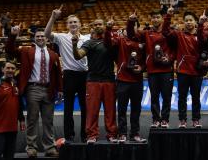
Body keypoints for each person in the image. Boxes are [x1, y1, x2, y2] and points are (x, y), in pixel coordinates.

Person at [6, 25, 62, 158]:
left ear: (47, 39)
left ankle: (49, 147)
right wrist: (13, 35)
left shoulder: (53, 54)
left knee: (48, 120)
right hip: (33, 88)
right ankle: (31, 147)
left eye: (43, 36)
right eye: (38, 36)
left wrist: (60, 88)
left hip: (49, 90)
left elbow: (58, 73)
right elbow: (9, 50)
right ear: (34, 39)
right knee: (32, 119)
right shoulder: (26, 51)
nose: (41, 38)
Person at [44, 6, 89, 143]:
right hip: (69, 75)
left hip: (85, 75)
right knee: (68, 107)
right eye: (70, 22)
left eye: (75, 22)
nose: (73, 24)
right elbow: (46, 34)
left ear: (80, 24)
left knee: (85, 107)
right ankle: (69, 136)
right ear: (67, 25)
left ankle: (85, 135)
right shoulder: (62, 37)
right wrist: (53, 17)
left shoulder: (87, 38)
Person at [72, 19, 117, 144]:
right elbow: (78, 55)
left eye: (100, 24)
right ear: (93, 27)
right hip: (93, 81)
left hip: (109, 81)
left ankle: (112, 134)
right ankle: (92, 135)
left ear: (104, 26)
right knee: (92, 110)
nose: (97, 26)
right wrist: (74, 45)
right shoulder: (89, 43)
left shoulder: (112, 42)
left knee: (111, 110)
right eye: (95, 24)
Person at [104, 14, 147, 143]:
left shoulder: (142, 43)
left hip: (137, 80)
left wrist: (142, 68)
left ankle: (135, 134)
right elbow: (107, 43)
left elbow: (146, 59)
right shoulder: (121, 41)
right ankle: (122, 133)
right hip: (123, 80)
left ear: (138, 28)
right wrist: (108, 29)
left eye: (135, 26)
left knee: (136, 109)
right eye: (131, 25)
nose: (133, 28)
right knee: (121, 109)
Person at [163, 10, 205, 129]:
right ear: (183, 22)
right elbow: (165, 31)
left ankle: (196, 120)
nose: (188, 22)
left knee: (196, 97)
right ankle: (182, 120)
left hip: (196, 72)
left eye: (190, 20)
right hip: (183, 72)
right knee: (182, 97)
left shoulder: (200, 35)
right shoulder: (179, 34)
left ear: (195, 22)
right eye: (186, 20)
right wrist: (168, 16)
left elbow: (205, 47)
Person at [136, 10, 175, 128]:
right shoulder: (146, 33)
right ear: (151, 19)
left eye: (158, 17)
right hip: (152, 71)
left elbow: (174, 50)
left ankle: (165, 120)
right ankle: (156, 119)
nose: (155, 19)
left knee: (167, 96)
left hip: (166, 70)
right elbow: (133, 35)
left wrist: (169, 59)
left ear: (162, 18)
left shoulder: (168, 33)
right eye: (153, 17)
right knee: (154, 96)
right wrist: (132, 21)